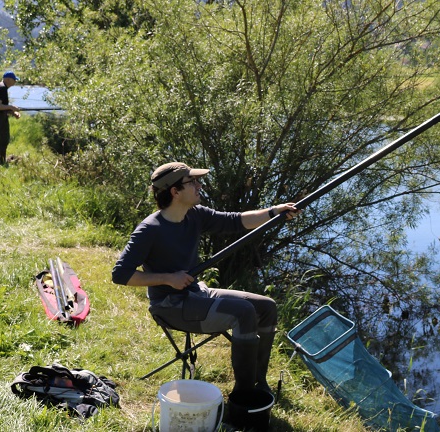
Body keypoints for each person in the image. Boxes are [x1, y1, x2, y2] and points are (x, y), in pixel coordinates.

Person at [111, 161, 299, 401]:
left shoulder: (195, 215)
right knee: (243, 313)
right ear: (175, 191)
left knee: (266, 306)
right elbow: (120, 274)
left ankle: (258, 381)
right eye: (192, 182)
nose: (199, 185)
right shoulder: (150, 229)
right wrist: (168, 278)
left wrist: (275, 212)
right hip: (171, 306)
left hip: (196, 293)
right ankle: (243, 396)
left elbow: (237, 220)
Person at [0, 71, 21, 165]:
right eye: (14, 80)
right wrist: (11, 107)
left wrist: (13, 112)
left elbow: (0, 106)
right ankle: (1, 161)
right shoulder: (2, 88)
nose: (15, 82)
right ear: (8, 79)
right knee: (3, 140)